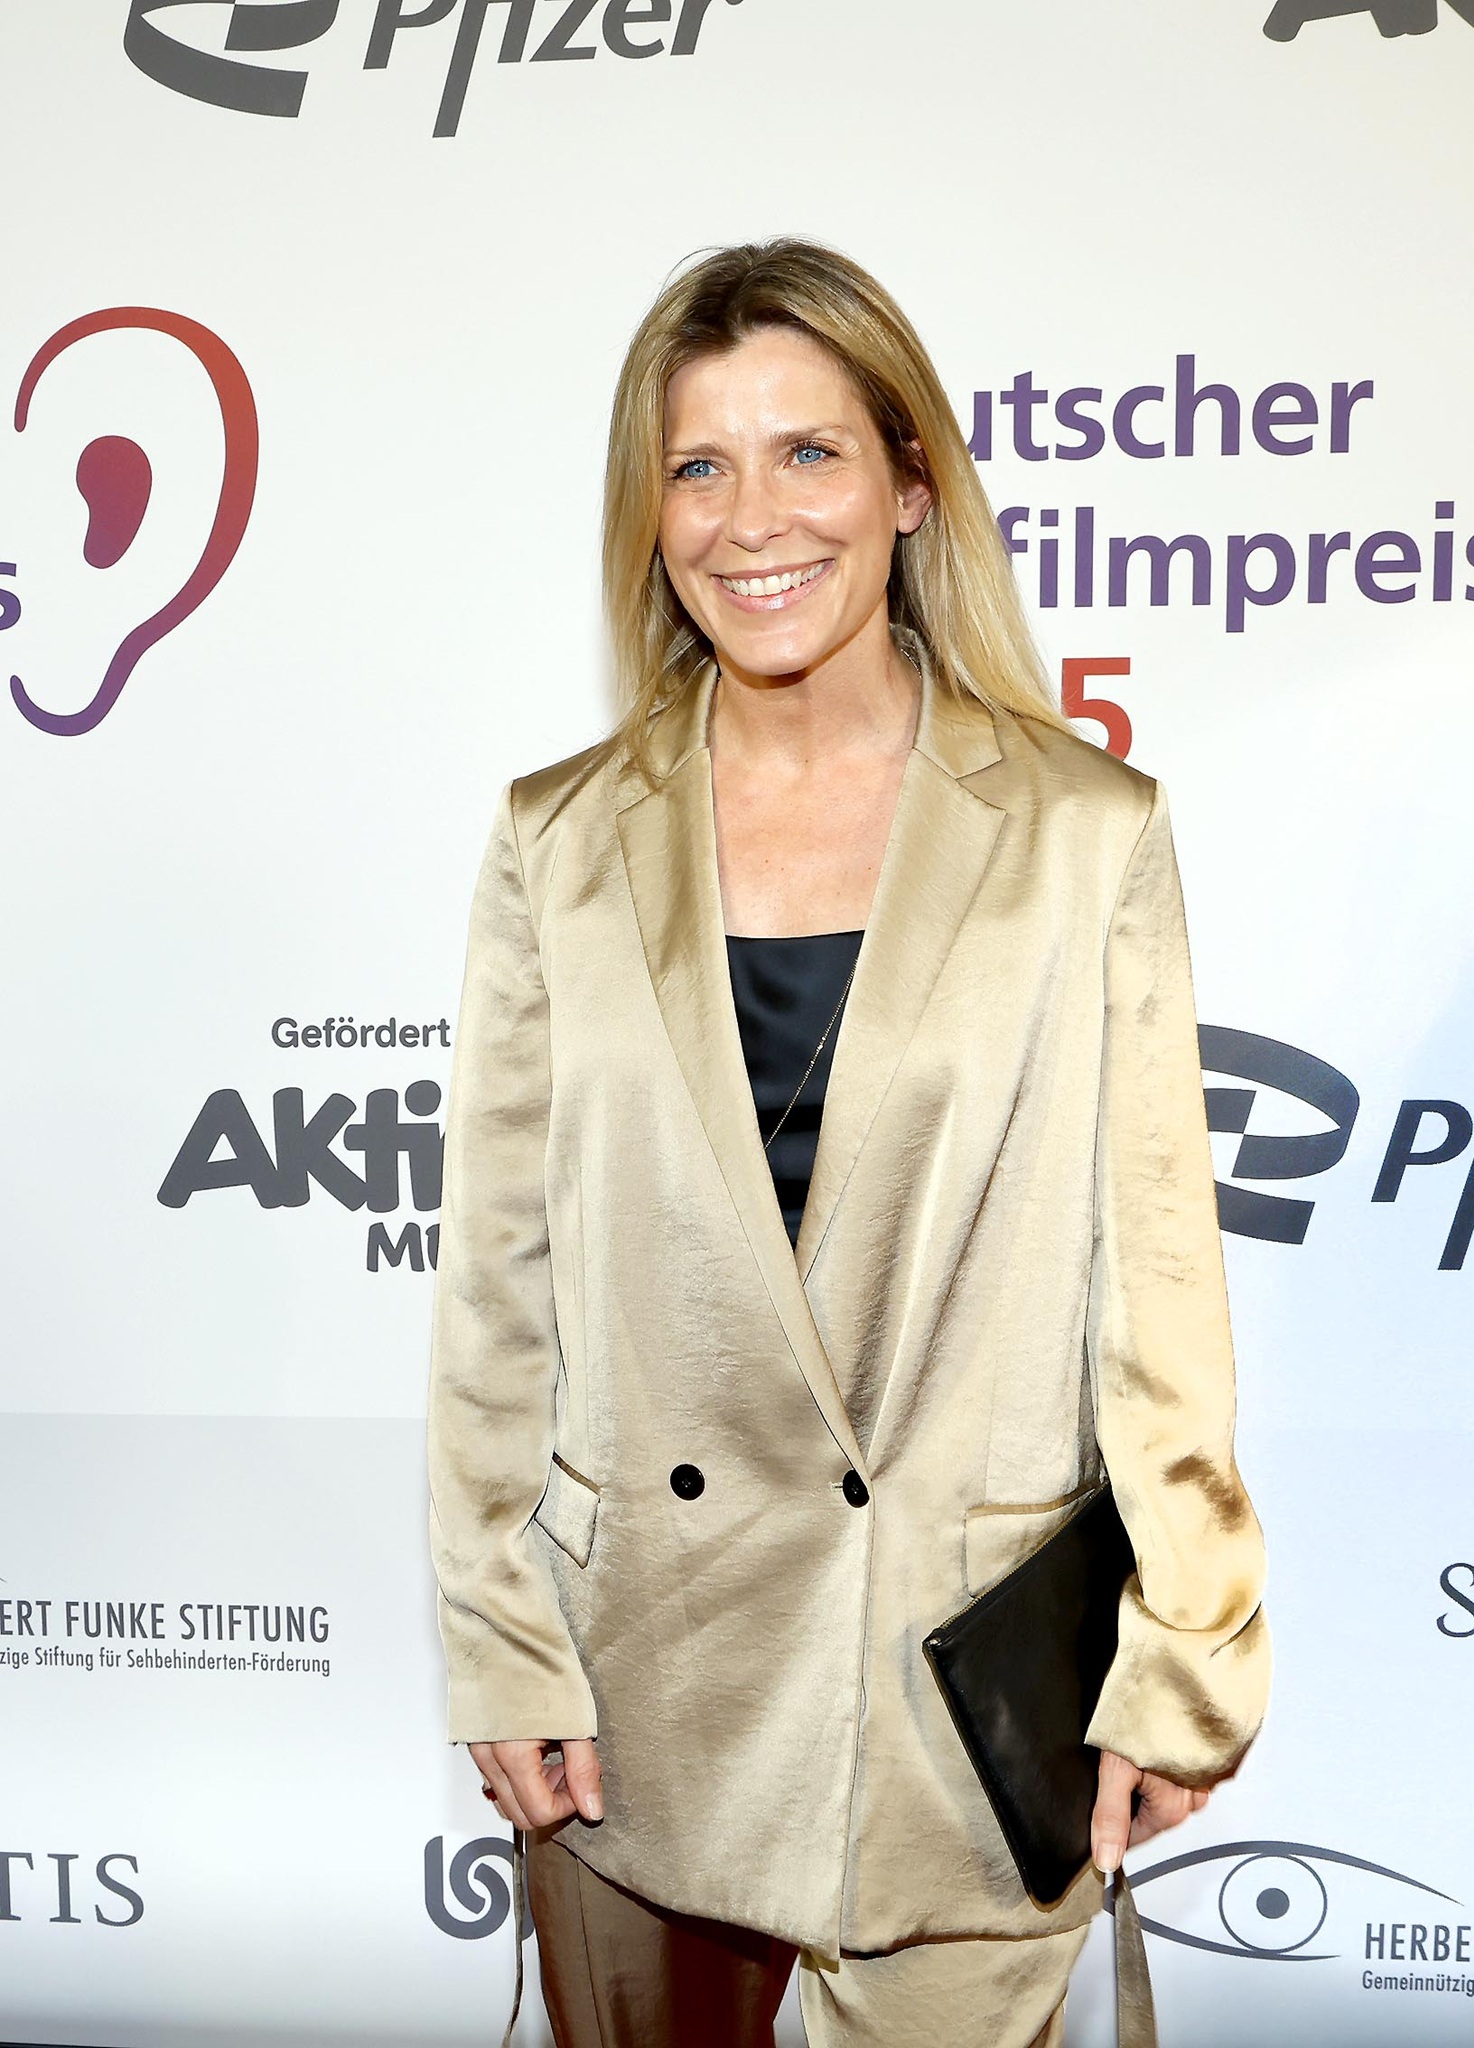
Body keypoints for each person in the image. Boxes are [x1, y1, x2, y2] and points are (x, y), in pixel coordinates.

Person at [427, 239, 1271, 2048]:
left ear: (909, 483)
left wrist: (1189, 1649)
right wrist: (500, 1631)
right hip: (636, 1681)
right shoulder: (558, 843)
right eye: (699, 466)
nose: (753, 520)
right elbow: (497, 1291)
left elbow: (1159, 1291)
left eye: (808, 452)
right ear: (651, 515)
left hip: (955, 1695)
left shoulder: (1080, 836)